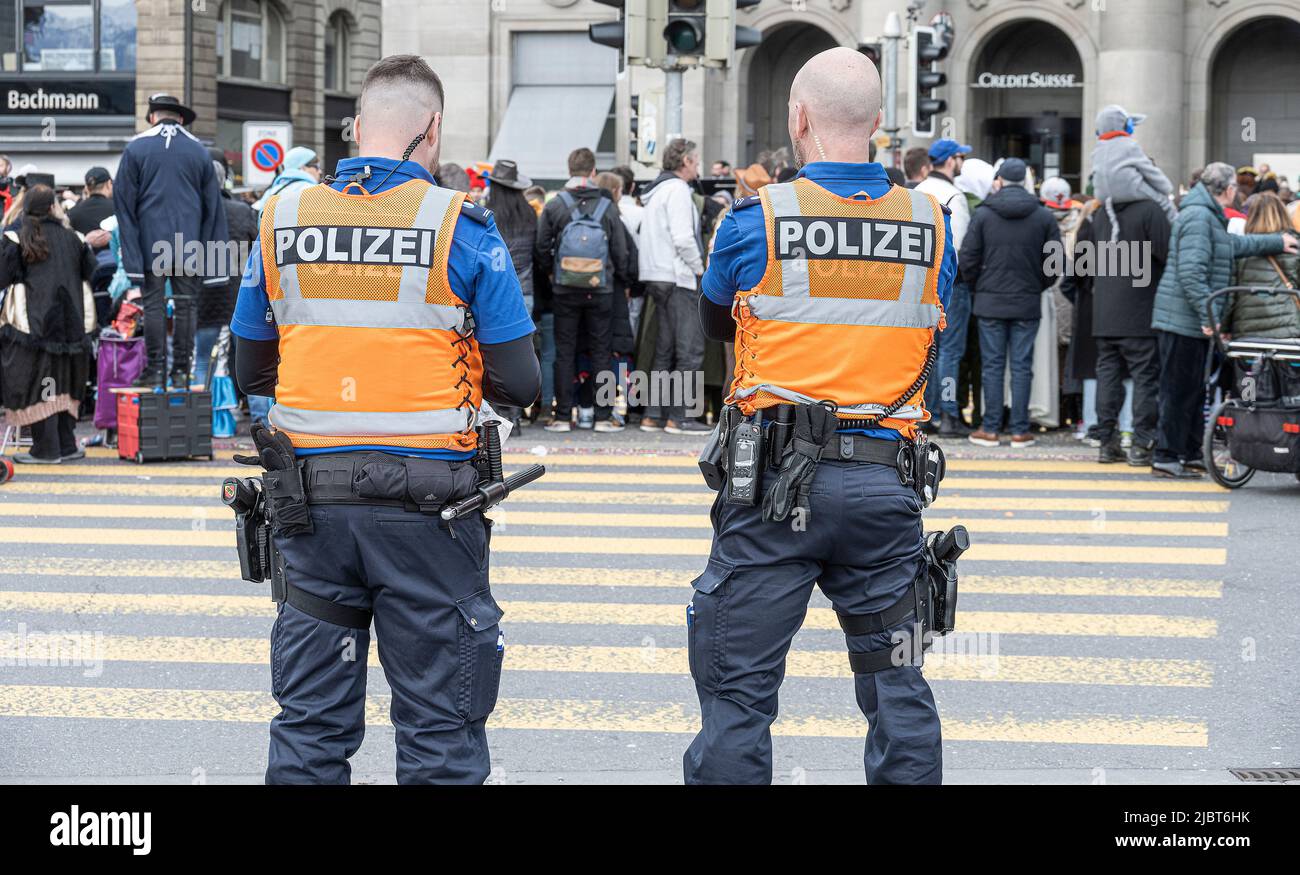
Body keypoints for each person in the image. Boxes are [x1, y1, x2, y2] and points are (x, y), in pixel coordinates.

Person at [229, 54, 539, 784]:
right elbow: (521, 381)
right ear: (431, 131)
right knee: (438, 730)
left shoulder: (285, 217)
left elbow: (249, 371)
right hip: (432, 511)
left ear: (357, 128)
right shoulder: (458, 226)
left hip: (309, 506)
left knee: (309, 727)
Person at [690, 47, 954, 785]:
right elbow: (937, 330)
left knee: (738, 693)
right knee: (898, 685)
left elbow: (717, 324)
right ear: (876, 125)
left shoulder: (755, 221)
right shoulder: (930, 221)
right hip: (884, 488)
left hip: (773, 488)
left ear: (798, 118)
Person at [1151, 162, 1296, 478]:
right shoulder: (1200, 216)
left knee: (1191, 390)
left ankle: (1188, 453)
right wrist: (1211, 317)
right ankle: (1166, 455)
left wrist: (1274, 242)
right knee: (1178, 391)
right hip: (1183, 320)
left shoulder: (1204, 214)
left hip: (1187, 319)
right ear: (1228, 189)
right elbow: (1191, 273)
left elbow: (1232, 246)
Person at [114, 93, 229, 390]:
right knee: (186, 305)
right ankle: (180, 370)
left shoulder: (136, 147)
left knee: (152, 305)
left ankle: (155, 369)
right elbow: (212, 209)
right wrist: (212, 257)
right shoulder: (199, 151)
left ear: (153, 116)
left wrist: (131, 253)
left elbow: (124, 205)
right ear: (179, 117)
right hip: (188, 243)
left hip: (151, 242)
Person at [1064, 181, 1170, 465]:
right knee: (1145, 378)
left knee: (1107, 377)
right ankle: (1141, 443)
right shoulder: (1151, 211)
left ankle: (1107, 442)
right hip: (1142, 311)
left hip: (1104, 313)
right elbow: (1168, 254)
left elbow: (1079, 267)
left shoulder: (1101, 213)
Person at [960, 158, 1062, 448]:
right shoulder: (1043, 216)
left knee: (992, 365)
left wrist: (979, 287)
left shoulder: (984, 215)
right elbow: (1054, 263)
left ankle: (990, 429)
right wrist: (1037, 286)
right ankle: (1019, 430)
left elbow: (968, 258)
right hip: (1027, 301)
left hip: (989, 302)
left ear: (999, 181)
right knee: (1021, 365)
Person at [534, 147, 629, 432]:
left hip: (565, 289)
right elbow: (620, 251)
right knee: (601, 350)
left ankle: (563, 416)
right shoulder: (607, 206)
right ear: (593, 172)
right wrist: (618, 278)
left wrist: (554, 272)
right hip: (600, 289)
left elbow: (541, 247)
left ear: (569, 171)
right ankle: (602, 416)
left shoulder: (555, 204)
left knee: (564, 352)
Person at [0, 186, 96, 463]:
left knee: (43, 385)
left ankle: (46, 448)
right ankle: (65, 444)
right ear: (53, 206)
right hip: (72, 325)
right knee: (63, 384)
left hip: (33, 326)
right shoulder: (74, 238)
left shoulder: (17, 238)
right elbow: (90, 271)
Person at [637, 137, 710, 433]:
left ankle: (652, 415)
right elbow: (683, 238)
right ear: (686, 162)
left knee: (664, 349)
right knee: (690, 350)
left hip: (655, 275)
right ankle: (681, 417)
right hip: (678, 276)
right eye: (696, 160)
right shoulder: (679, 191)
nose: (698, 165)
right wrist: (700, 269)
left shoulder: (656, 191)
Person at [917, 139, 973, 434]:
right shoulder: (954, 195)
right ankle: (949, 413)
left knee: (925, 351)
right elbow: (959, 248)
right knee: (951, 351)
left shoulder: (915, 193)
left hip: (918, 285)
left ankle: (926, 412)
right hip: (950, 284)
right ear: (951, 161)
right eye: (961, 157)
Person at [484, 158, 539, 426]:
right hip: (524, 292)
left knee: (489, 357)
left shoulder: (487, 214)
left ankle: (495, 416)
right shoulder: (529, 214)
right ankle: (516, 416)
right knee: (517, 355)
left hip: (492, 293)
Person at [195, 155, 257, 388]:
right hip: (239, 296)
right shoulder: (242, 211)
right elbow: (258, 250)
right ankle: (258, 417)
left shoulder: (194, 212)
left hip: (205, 298)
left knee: (202, 361)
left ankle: (202, 416)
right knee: (250, 363)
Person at [1226, 192, 1300, 338]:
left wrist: (1224, 328)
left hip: (1246, 331)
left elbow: (1230, 296)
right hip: (1291, 330)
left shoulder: (1243, 251)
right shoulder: (1295, 246)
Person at [1091, 105, 1178, 229]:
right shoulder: (1129, 145)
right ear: (1124, 126)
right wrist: (1166, 188)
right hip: (1129, 188)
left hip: (1103, 195)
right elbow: (1148, 170)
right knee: (1163, 202)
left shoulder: (1097, 150)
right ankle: (1177, 228)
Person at [251, 147, 320, 212]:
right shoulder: (312, 190)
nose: (320, 171)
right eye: (317, 167)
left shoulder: (271, 192)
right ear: (303, 167)